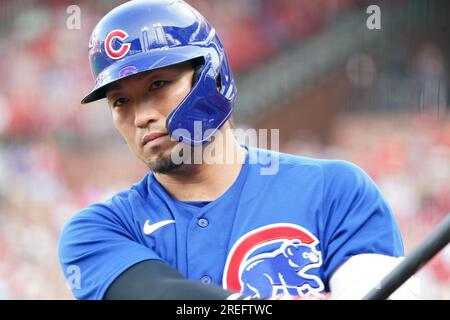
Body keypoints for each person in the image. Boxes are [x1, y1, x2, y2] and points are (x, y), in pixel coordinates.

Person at [58, 0, 418, 300]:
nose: (141, 116)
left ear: (213, 77)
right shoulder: (99, 230)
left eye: (158, 85)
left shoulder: (337, 190)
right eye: (121, 101)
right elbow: (163, 297)